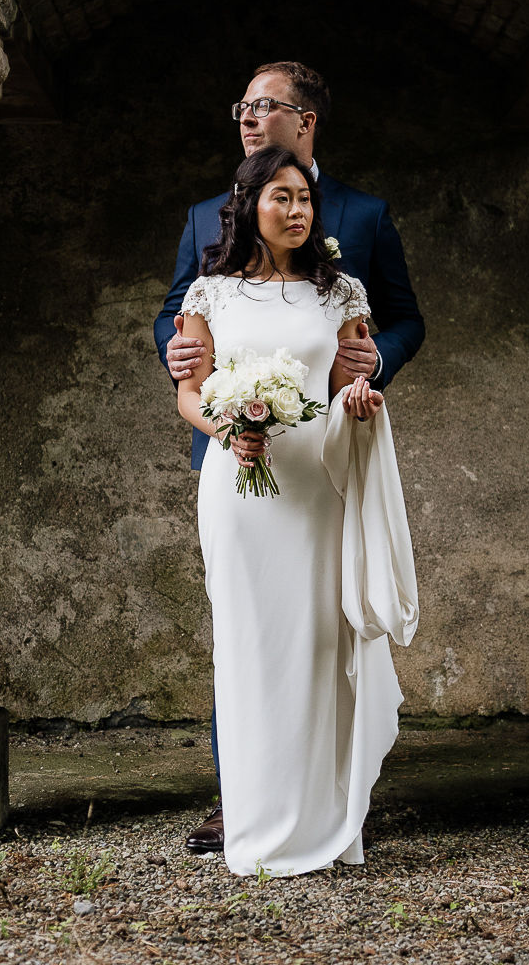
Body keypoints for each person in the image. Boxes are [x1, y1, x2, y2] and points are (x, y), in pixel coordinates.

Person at [153, 62, 425, 855]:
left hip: (320, 466)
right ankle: (241, 800)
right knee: (247, 634)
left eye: (265, 106)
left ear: (306, 122)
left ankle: (328, 799)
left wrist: (368, 374)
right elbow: (180, 327)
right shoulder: (207, 224)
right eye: (242, 105)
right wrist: (205, 395)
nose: (247, 116)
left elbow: (397, 322)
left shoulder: (362, 224)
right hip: (234, 465)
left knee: (317, 635)